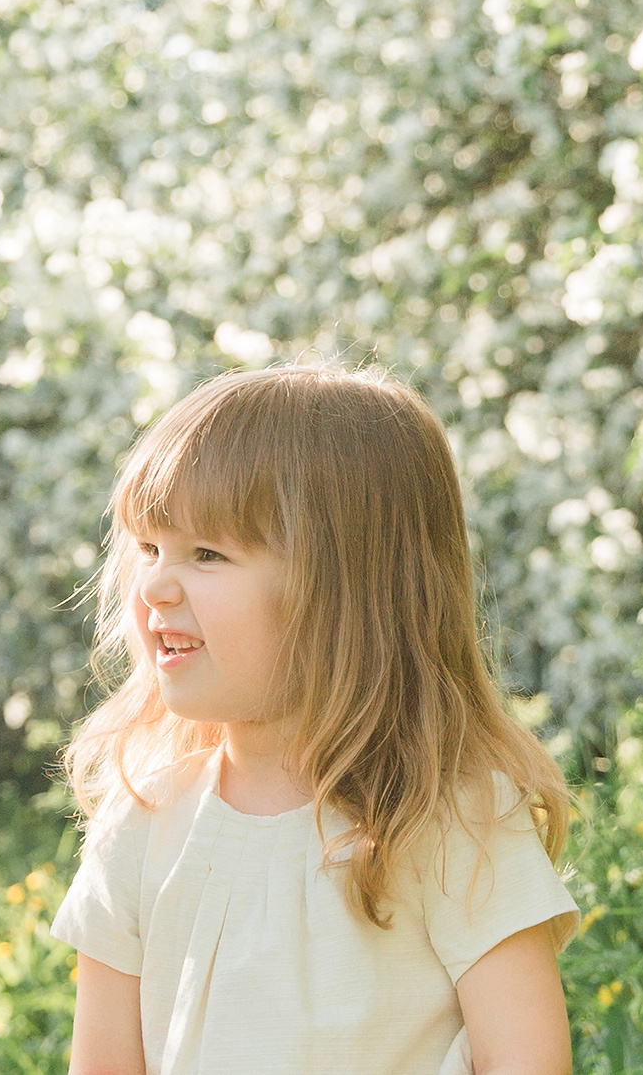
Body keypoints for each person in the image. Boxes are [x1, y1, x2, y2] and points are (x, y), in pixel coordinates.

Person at [53, 364, 576, 1075]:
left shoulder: (454, 823)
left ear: (344, 593)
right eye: (148, 547)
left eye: (207, 553)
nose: (152, 586)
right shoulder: (143, 826)